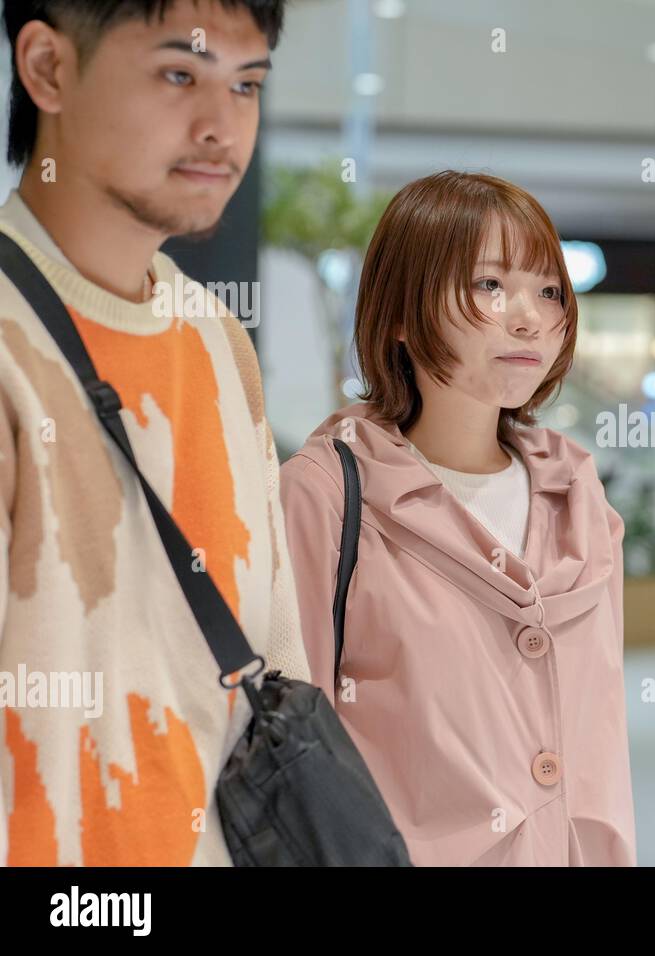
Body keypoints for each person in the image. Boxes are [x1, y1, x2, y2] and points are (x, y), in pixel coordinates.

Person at [0, 0, 308, 866]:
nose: (222, 127)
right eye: (180, 74)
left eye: (246, 85)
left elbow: (278, 658)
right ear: (49, 70)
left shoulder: (215, 339)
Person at [275, 171, 636, 865]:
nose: (528, 316)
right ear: (403, 312)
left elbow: (603, 745)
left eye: (549, 290)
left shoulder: (580, 496)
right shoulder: (325, 493)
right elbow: (294, 738)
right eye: (489, 286)